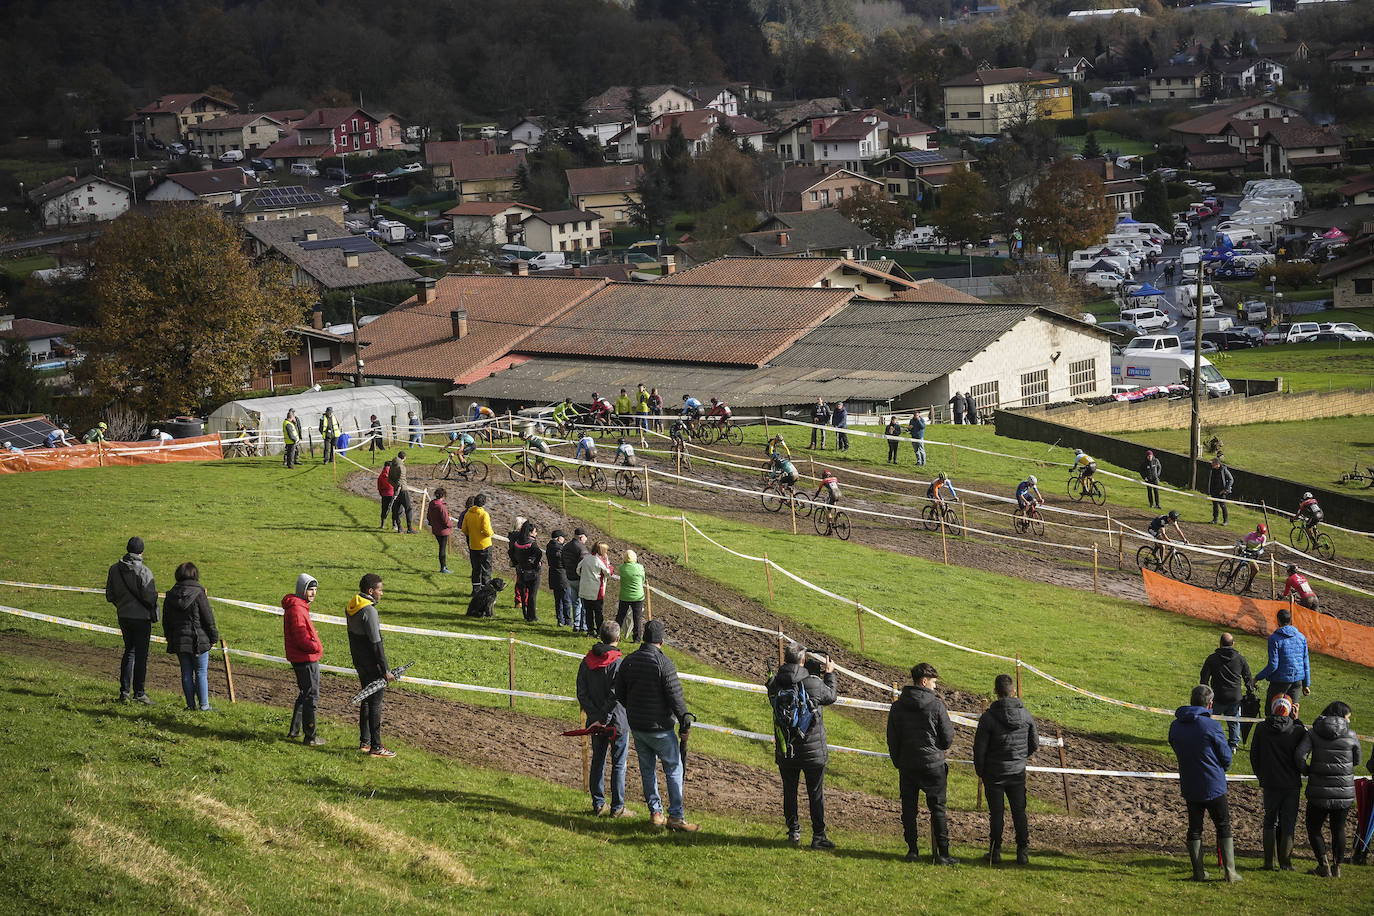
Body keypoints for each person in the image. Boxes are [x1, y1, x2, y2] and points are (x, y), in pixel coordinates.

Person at [618, 619, 697, 831]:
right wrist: (685, 722)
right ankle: (676, 816)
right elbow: (676, 697)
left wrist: (634, 710)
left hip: (638, 727)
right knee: (673, 769)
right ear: (661, 641)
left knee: (647, 770)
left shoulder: (629, 661)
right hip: (661, 728)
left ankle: (655, 812)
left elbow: (619, 693)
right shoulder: (664, 664)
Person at [766, 643, 838, 849]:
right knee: (815, 793)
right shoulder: (813, 683)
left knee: (790, 791)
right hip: (812, 749)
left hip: (786, 748)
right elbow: (831, 696)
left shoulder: (775, 683)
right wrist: (829, 674)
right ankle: (818, 836)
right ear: (803, 660)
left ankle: (794, 832)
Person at [1168, 684, 1240, 882]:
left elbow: (1174, 745)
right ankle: (1230, 872)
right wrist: (1219, 768)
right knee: (1223, 825)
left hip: (1190, 783)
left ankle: (1198, 872)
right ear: (1210, 704)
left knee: (1195, 828)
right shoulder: (1211, 725)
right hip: (1213, 784)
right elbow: (1226, 756)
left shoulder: (1175, 725)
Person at [887, 662, 957, 864]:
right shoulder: (936, 706)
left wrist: (898, 761)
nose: (936, 687)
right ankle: (943, 854)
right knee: (938, 809)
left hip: (907, 765)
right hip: (933, 765)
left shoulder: (898, 706)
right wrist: (937, 750)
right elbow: (947, 737)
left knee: (909, 809)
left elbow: (892, 738)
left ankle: (912, 850)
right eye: (934, 682)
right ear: (924, 681)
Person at [973, 674, 1038, 866]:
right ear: (1014, 692)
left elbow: (979, 749)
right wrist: (1019, 757)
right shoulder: (1026, 714)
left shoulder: (988, 717)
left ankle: (995, 851)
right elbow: (1034, 743)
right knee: (1019, 812)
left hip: (994, 773)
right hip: (1017, 772)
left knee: (996, 813)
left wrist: (981, 771)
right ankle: (1022, 852)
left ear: (995, 692)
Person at [1296, 700, 1362, 878]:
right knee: (1338, 829)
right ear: (1342, 716)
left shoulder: (1313, 733)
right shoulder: (1352, 735)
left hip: (1318, 790)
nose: (1349, 720)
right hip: (1344, 792)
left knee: (1313, 827)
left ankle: (1323, 863)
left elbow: (1300, 755)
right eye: (1348, 717)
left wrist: (1308, 770)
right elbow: (1357, 760)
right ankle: (1337, 866)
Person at [577, 621, 635, 818]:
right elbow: (615, 694)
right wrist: (603, 718)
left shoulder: (586, 661)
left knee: (598, 761)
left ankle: (598, 804)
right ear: (618, 639)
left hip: (596, 722)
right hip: (616, 722)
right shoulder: (619, 664)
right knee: (618, 763)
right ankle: (617, 807)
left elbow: (582, 693)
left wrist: (595, 718)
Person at [1250, 694, 1305, 871]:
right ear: (1290, 710)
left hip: (1270, 782)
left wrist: (1261, 776)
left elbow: (1254, 756)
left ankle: (1268, 862)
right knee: (1288, 822)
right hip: (1291, 784)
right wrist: (1297, 721)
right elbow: (1303, 752)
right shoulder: (1296, 730)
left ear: (1272, 708)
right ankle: (1286, 863)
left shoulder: (1261, 728)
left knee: (1269, 821)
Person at [347, 573, 395, 758]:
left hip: (359, 661)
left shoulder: (352, 605)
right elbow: (376, 643)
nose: (381, 593)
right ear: (370, 591)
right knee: (375, 702)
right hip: (372, 664)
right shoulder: (370, 611)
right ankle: (376, 746)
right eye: (380, 590)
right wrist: (385, 671)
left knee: (366, 699)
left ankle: (364, 742)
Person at [105, 536, 158, 705]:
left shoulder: (114, 569)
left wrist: (122, 605)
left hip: (124, 616)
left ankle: (124, 692)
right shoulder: (144, 572)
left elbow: (110, 595)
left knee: (129, 652)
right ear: (141, 552)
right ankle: (140, 693)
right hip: (142, 618)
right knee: (141, 656)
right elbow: (150, 598)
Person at [162, 561, 219, 712]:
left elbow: (166, 620)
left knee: (186, 672)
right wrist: (214, 637)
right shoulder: (199, 593)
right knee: (201, 672)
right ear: (195, 575)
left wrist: (169, 636)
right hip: (198, 640)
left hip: (179, 640)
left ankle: (190, 705)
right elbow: (208, 617)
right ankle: (204, 706)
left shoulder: (170, 595)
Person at [283, 573, 327, 746]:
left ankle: (295, 730)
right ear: (302, 590)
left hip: (301, 657)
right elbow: (301, 638)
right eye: (310, 590)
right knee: (311, 696)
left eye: (315, 590)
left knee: (305, 694)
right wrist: (316, 646)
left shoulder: (299, 606)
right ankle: (311, 736)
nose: (313, 593)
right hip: (305, 658)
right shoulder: (297, 609)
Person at [1199, 634, 1255, 750]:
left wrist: (1205, 694)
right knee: (1234, 721)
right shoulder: (1240, 659)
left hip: (1218, 697)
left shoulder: (1212, 658)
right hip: (1235, 697)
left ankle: (1208, 739)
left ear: (1220, 643)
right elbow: (1248, 677)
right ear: (1233, 644)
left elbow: (1204, 678)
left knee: (1210, 719)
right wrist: (1250, 692)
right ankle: (1233, 744)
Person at [1257, 603, 1312, 708]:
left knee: (1272, 711)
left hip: (1279, 681)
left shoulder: (1274, 638)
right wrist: (1306, 684)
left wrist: (1258, 678)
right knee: (1293, 712)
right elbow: (1305, 662)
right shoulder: (1301, 637)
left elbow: (1273, 665)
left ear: (1278, 620)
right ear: (1290, 620)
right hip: (1297, 680)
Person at [578, 542, 613, 637]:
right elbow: (609, 573)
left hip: (585, 590)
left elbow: (578, 570)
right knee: (598, 613)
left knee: (588, 612)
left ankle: (590, 631)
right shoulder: (599, 561)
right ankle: (599, 632)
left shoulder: (586, 558)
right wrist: (608, 563)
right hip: (596, 591)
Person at [511, 520, 542, 623]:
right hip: (533, 572)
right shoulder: (532, 543)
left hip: (521, 571)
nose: (536, 534)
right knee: (532, 595)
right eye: (535, 532)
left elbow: (510, 552)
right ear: (531, 532)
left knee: (523, 594)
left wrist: (516, 562)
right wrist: (535, 563)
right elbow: (539, 553)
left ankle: (525, 614)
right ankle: (532, 616)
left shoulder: (517, 542)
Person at [461, 493, 494, 588]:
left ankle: (475, 590)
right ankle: (485, 589)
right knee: (486, 569)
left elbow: (464, 529)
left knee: (476, 569)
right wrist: (492, 533)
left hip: (473, 545)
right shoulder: (484, 514)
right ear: (484, 503)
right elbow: (487, 531)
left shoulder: (468, 514)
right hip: (485, 545)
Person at [563, 529, 590, 634]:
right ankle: (584, 626)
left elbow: (563, 562)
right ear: (581, 537)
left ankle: (576, 624)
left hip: (570, 578)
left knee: (575, 603)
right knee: (584, 603)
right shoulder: (582, 548)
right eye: (585, 539)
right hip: (580, 579)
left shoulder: (566, 546)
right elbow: (584, 565)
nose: (585, 541)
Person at [616, 549, 646, 643]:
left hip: (624, 596)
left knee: (620, 616)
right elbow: (643, 580)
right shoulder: (640, 567)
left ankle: (614, 635)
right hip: (638, 596)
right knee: (637, 618)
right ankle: (637, 639)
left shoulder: (622, 568)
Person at [546, 529, 571, 627]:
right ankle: (568, 621)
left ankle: (560, 620)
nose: (564, 539)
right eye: (563, 537)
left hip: (553, 575)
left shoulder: (549, 546)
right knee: (566, 600)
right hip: (562, 576)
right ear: (558, 538)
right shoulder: (560, 549)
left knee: (558, 600)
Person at [427, 487, 453, 574]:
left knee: (441, 547)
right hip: (443, 531)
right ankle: (443, 567)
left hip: (435, 529)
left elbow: (428, 516)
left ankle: (444, 566)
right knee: (442, 549)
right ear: (443, 496)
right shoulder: (442, 507)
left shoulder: (431, 504)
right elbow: (446, 520)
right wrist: (450, 525)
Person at [389, 451, 414, 533]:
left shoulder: (392, 465)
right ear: (404, 458)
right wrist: (399, 486)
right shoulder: (401, 466)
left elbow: (390, 479)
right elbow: (401, 479)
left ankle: (399, 527)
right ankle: (409, 528)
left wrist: (395, 486)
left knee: (398, 509)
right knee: (408, 508)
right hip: (403, 489)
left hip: (395, 489)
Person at [1207, 456, 1234, 525]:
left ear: (1218, 464)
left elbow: (1231, 480)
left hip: (1222, 492)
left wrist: (1225, 489)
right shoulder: (1212, 470)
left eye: (1213, 463)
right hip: (1214, 491)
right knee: (1215, 506)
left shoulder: (1224, 470)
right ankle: (1215, 520)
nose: (1212, 464)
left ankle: (1225, 521)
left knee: (1223, 506)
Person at [377, 460, 396, 530]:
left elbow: (379, 486)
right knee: (394, 510)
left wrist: (381, 493)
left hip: (384, 494)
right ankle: (394, 525)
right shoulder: (393, 474)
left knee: (384, 509)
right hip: (393, 494)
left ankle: (382, 525)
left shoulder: (381, 475)